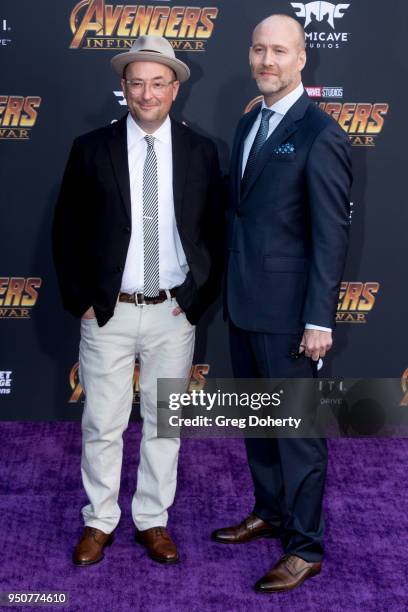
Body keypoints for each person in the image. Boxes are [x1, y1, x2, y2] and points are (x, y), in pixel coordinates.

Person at [52, 35, 223, 566]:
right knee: (102, 422)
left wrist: (197, 301)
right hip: (108, 312)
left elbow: (216, 234)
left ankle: (152, 519)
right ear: (123, 88)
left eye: (158, 83)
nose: (147, 94)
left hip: (175, 313)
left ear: (175, 88)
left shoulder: (201, 150)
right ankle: (99, 520)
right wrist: (82, 299)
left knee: (163, 423)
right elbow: (66, 231)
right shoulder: (90, 148)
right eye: (136, 83)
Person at [212, 15, 352, 592]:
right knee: (259, 423)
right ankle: (270, 512)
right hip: (244, 304)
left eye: (279, 51)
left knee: (296, 432)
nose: (267, 60)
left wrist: (320, 318)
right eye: (259, 49)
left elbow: (330, 236)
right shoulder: (251, 122)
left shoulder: (323, 134)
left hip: (293, 315)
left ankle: (306, 546)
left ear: (302, 59)